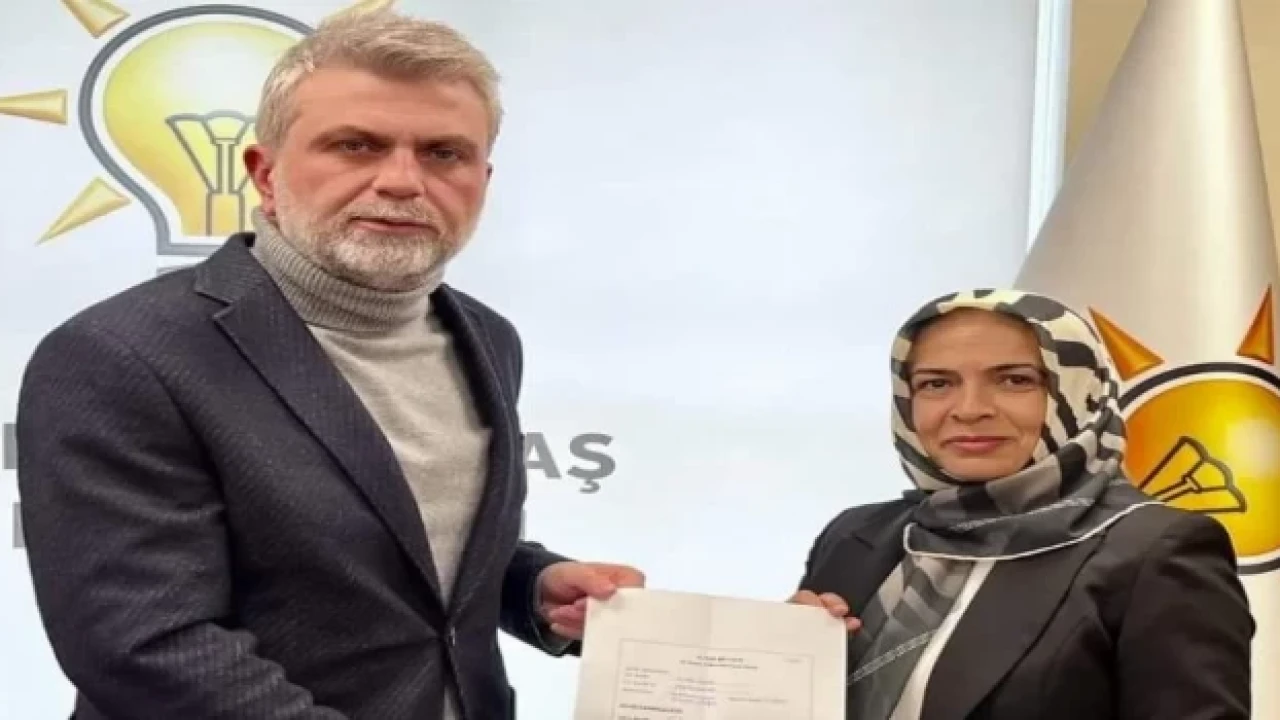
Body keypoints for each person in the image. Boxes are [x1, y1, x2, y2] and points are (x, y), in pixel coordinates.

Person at [15, 10, 643, 720]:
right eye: (355, 145)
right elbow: (147, 645)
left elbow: (406, 558)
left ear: (483, 180)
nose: (402, 181)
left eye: (443, 153)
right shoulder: (121, 355)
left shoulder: (489, 338)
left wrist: (531, 587)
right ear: (265, 173)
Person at [791, 289, 1253, 719]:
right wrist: (780, 654)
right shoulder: (854, 537)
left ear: (1078, 392)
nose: (969, 408)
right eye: (936, 383)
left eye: (1014, 380)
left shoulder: (1154, 551)